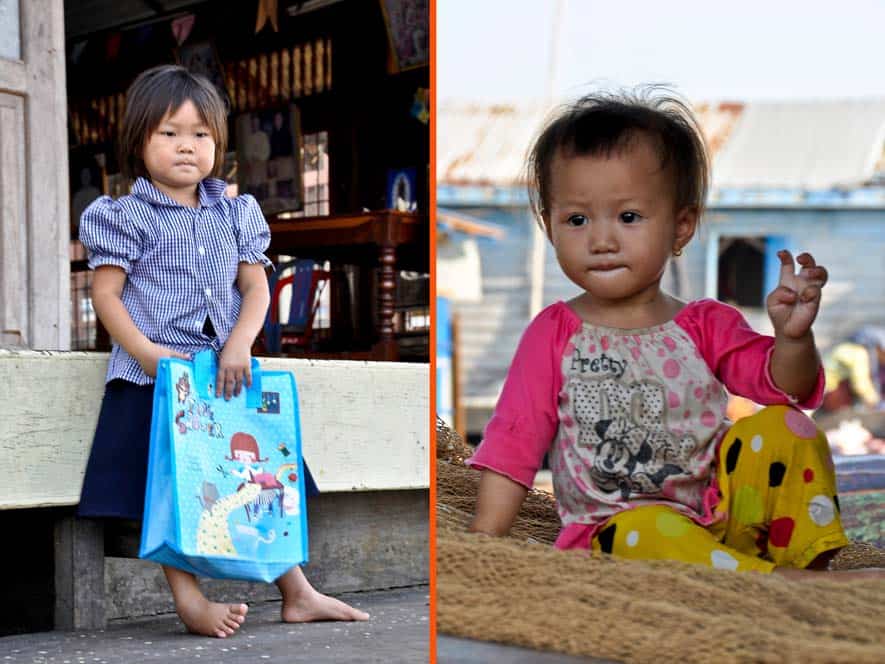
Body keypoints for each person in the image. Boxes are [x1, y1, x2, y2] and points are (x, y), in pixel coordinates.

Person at [467, 88, 882, 580]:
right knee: (648, 528)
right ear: (549, 225)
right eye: (576, 219)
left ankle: (801, 568)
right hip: (620, 536)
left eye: (628, 217)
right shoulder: (554, 333)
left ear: (681, 227)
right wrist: (482, 544)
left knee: (784, 426)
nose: (601, 240)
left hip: (722, 524)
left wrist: (792, 339)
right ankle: (780, 585)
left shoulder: (705, 324)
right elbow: (515, 440)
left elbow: (788, 387)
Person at [77, 64, 369, 638]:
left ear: (219, 142)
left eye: (200, 134)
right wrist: (146, 354)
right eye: (169, 132)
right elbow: (105, 294)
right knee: (168, 484)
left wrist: (240, 343)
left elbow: (255, 287)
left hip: (227, 376)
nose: (186, 145)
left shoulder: (234, 212)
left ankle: (298, 592)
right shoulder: (120, 216)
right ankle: (189, 600)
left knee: (260, 477)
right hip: (154, 379)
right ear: (138, 140)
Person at [821, 326, 885, 412]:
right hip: (826, 390)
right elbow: (861, 384)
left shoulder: (849, 347)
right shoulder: (858, 353)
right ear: (878, 348)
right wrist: (877, 403)